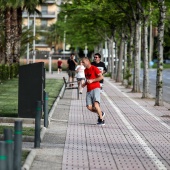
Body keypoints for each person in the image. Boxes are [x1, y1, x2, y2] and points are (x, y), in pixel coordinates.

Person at [82, 57, 105, 125]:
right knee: (89, 107)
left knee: (96, 104)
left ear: (87, 61)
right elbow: (88, 79)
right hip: (89, 90)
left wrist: (92, 80)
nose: (82, 63)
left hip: (96, 88)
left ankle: (101, 120)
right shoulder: (85, 70)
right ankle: (101, 113)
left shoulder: (94, 68)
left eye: (83, 62)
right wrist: (85, 84)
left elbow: (101, 77)